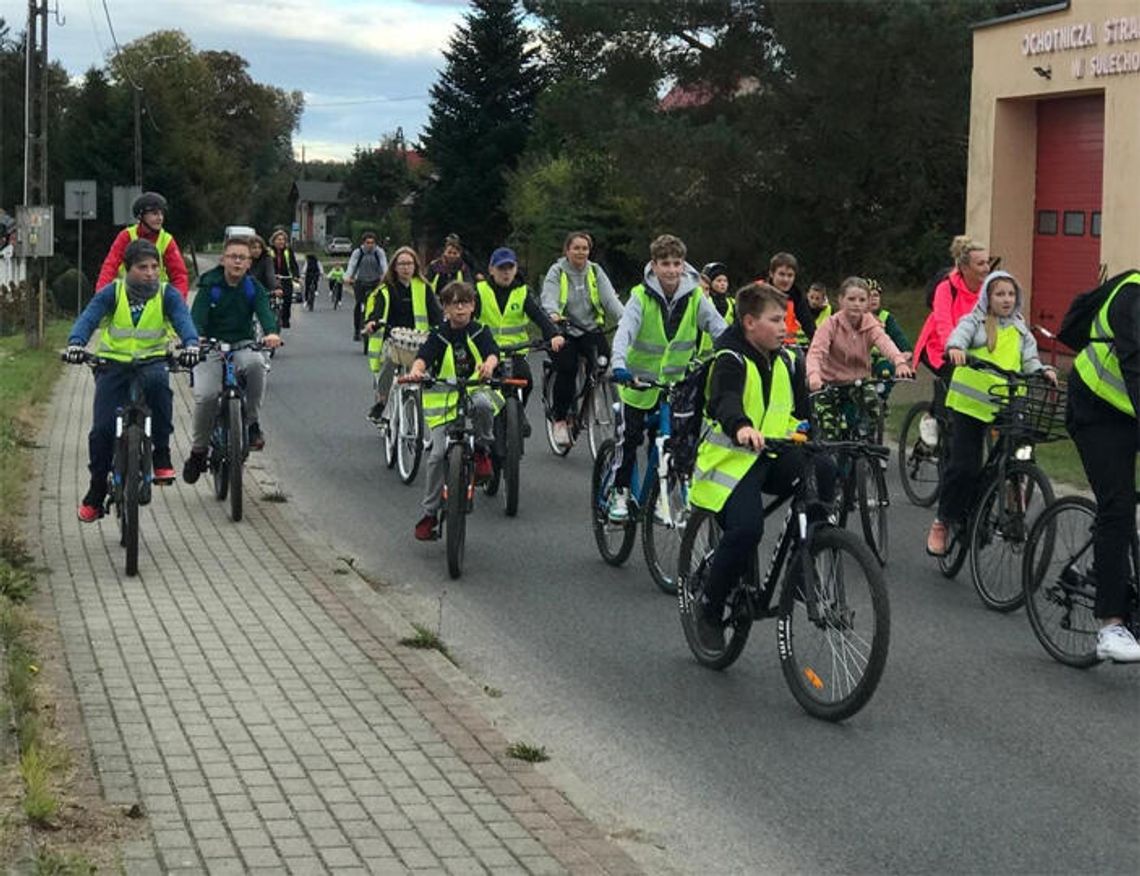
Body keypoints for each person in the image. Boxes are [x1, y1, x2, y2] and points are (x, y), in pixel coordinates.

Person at [687, 282, 836, 651]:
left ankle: (806, 561)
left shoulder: (788, 359)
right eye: (775, 320)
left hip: (773, 453)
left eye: (784, 319)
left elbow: (803, 415)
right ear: (750, 323)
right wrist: (741, 426)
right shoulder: (729, 359)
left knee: (827, 468)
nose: (785, 326)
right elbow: (725, 401)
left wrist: (816, 439)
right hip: (731, 461)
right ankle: (709, 607)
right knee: (747, 529)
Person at [66, 239, 200, 521]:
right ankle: (96, 489)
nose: (150, 272)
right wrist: (76, 343)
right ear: (127, 269)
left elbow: (183, 320)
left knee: (160, 391)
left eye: (154, 267)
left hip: (152, 362)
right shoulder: (112, 293)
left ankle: (161, 454)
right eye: (143, 267)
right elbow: (88, 318)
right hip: (112, 366)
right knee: (101, 430)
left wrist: (191, 345)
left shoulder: (167, 294)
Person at [925, 270, 1056, 556]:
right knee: (964, 467)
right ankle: (943, 521)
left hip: (1007, 403)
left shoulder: (1021, 329)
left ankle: (1012, 484)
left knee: (1021, 449)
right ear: (988, 297)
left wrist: (1042, 370)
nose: (1006, 299)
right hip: (971, 404)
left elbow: (1030, 359)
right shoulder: (974, 321)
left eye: (1011, 294)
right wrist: (957, 348)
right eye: (999, 294)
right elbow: (957, 337)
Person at [609, 233, 727, 521]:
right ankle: (619, 491)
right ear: (654, 265)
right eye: (665, 263)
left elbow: (719, 328)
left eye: (677, 263)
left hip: (675, 386)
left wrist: (737, 355)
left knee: (672, 441)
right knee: (629, 439)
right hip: (636, 383)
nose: (672, 270)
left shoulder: (696, 296)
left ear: (684, 265)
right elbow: (624, 332)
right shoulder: (640, 296)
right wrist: (619, 365)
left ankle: (663, 496)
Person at [1066, 270, 1140, 661]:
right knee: (1118, 508)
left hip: (1131, 413)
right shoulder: (1133, 295)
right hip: (1096, 411)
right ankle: (1112, 626)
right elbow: (1134, 366)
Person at [405, 281, 501, 540]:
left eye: (466, 303)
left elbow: (492, 353)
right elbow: (424, 355)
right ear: (445, 308)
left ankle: (482, 451)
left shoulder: (480, 331)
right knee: (436, 456)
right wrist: (417, 369)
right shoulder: (439, 333)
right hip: (444, 399)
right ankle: (429, 514)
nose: (460, 308)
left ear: (472, 306)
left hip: (473, 389)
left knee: (483, 405)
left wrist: (489, 367)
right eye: (454, 304)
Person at [182, 237, 282, 484]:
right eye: (233, 256)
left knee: (258, 364)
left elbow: (265, 313)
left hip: (242, 346)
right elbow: (197, 317)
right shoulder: (209, 285)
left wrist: (271, 333)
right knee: (206, 396)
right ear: (223, 259)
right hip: (211, 348)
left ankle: (251, 423)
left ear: (249, 263)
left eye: (243, 257)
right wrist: (196, 339)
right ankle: (198, 451)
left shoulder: (252, 287)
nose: (237, 261)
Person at [540, 231, 625, 447]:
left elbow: (610, 299)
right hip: (562, 329)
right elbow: (549, 298)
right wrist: (553, 316)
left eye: (585, 248)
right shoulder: (557, 271)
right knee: (567, 368)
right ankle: (560, 419)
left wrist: (626, 320)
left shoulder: (595, 271)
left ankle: (593, 392)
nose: (581, 252)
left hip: (589, 329)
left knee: (604, 362)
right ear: (567, 250)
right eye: (576, 248)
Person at [475, 247, 565, 433]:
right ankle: (486, 423)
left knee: (526, 380)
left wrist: (555, 334)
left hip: (514, 351)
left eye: (510, 267)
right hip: (485, 352)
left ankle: (517, 412)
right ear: (491, 270)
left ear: (516, 269)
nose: (506, 272)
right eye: (501, 268)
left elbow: (539, 316)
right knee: (486, 386)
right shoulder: (480, 291)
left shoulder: (522, 292)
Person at [363, 246, 443, 422]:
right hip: (393, 341)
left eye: (409, 263)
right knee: (388, 363)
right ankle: (382, 401)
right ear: (395, 267)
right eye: (402, 264)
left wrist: (441, 328)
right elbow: (377, 310)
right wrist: (372, 322)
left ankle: (431, 406)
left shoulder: (424, 288)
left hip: (418, 342)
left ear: (415, 266)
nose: (406, 267)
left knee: (428, 370)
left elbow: (436, 314)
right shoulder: (386, 289)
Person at [912, 236, 991, 416]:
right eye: (980, 264)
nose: (986, 268)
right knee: (953, 376)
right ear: (964, 268)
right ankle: (935, 420)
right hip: (938, 346)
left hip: (969, 348)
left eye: (987, 262)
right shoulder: (946, 288)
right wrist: (953, 346)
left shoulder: (988, 291)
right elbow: (943, 322)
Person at [805, 276, 914, 391]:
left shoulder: (871, 325)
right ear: (841, 300)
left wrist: (900, 362)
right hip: (831, 385)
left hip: (861, 384)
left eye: (862, 300)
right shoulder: (830, 325)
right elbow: (816, 352)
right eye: (851, 299)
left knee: (875, 406)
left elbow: (885, 343)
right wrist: (813, 375)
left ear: (867, 303)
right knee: (824, 408)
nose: (857, 304)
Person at [96, 192, 190, 299]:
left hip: (156, 299)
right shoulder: (126, 236)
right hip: (127, 297)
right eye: (155, 214)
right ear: (141, 216)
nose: (160, 218)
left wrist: (178, 302)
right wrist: (101, 297)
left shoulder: (167, 240)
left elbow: (179, 275)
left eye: (161, 214)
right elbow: (109, 266)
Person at [761, 252, 814, 348]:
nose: (785, 279)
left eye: (790, 275)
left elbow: (809, 326)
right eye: (781, 274)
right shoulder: (758, 293)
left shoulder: (796, 296)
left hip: (788, 348)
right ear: (771, 274)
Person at [866, 278, 912, 384]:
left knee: (886, 370)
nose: (873, 299)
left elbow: (897, 335)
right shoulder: (857, 318)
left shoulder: (885, 316)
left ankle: (882, 397)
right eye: (869, 296)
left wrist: (906, 350)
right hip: (862, 359)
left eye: (876, 296)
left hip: (882, 358)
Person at [345, 231, 388, 342]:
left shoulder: (379, 252)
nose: (370, 245)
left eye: (372, 243)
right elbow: (352, 265)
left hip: (375, 282)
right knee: (359, 304)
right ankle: (356, 330)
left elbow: (384, 265)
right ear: (363, 243)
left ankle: (374, 325)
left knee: (377, 304)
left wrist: (386, 277)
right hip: (360, 281)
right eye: (367, 243)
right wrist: (348, 277)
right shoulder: (358, 252)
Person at [698, 262, 734, 359]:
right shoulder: (702, 303)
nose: (722, 284)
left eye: (725, 281)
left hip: (723, 355)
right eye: (718, 281)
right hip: (700, 359)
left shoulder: (733, 304)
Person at [268, 227, 299, 329]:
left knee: (288, 299)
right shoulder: (269, 251)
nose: (281, 242)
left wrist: (296, 276)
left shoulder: (288, 251)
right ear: (274, 240)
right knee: (269, 298)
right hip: (272, 277)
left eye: (283, 239)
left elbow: (293, 264)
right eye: (278, 239)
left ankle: (285, 319)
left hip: (286, 277)